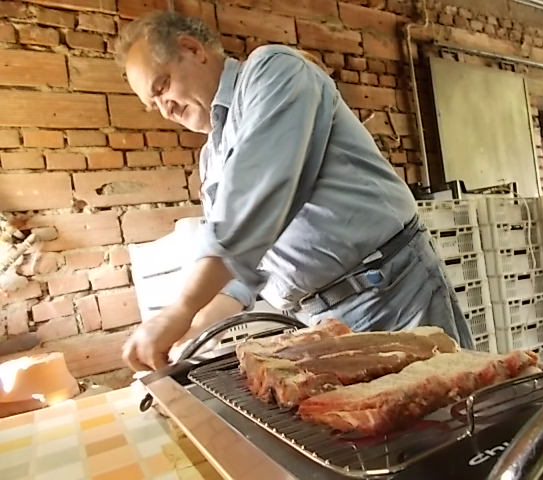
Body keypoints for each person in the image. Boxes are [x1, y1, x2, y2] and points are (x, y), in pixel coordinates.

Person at [116, 11, 473, 372]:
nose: (165, 110)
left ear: (192, 49)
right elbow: (242, 270)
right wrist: (193, 335)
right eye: (153, 105)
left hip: (391, 293)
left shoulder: (273, 71)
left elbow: (252, 206)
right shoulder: (212, 159)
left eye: (162, 87)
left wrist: (179, 310)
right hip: (322, 321)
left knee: (445, 399)